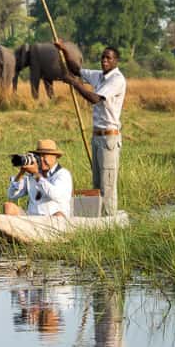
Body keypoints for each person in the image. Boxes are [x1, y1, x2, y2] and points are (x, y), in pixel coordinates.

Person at [56, 41, 127, 216]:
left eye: (108, 58)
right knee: (97, 183)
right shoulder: (99, 76)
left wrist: (74, 83)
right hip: (96, 136)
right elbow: (76, 70)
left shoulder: (117, 79)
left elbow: (94, 98)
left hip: (109, 139)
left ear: (116, 61)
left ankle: (109, 218)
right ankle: (98, 217)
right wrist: (64, 50)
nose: (104, 61)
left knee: (107, 184)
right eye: (103, 57)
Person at [3, 139, 72, 217]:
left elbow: (56, 195)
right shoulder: (33, 174)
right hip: (32, 218)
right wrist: (21, 172)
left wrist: (36, 174)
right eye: (39, 156)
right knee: (8, 207)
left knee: (59, 215)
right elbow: (11, 195)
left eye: (44, 156)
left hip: (53, 219)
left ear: (55, 157)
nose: (41, 159)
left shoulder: (63, 174)